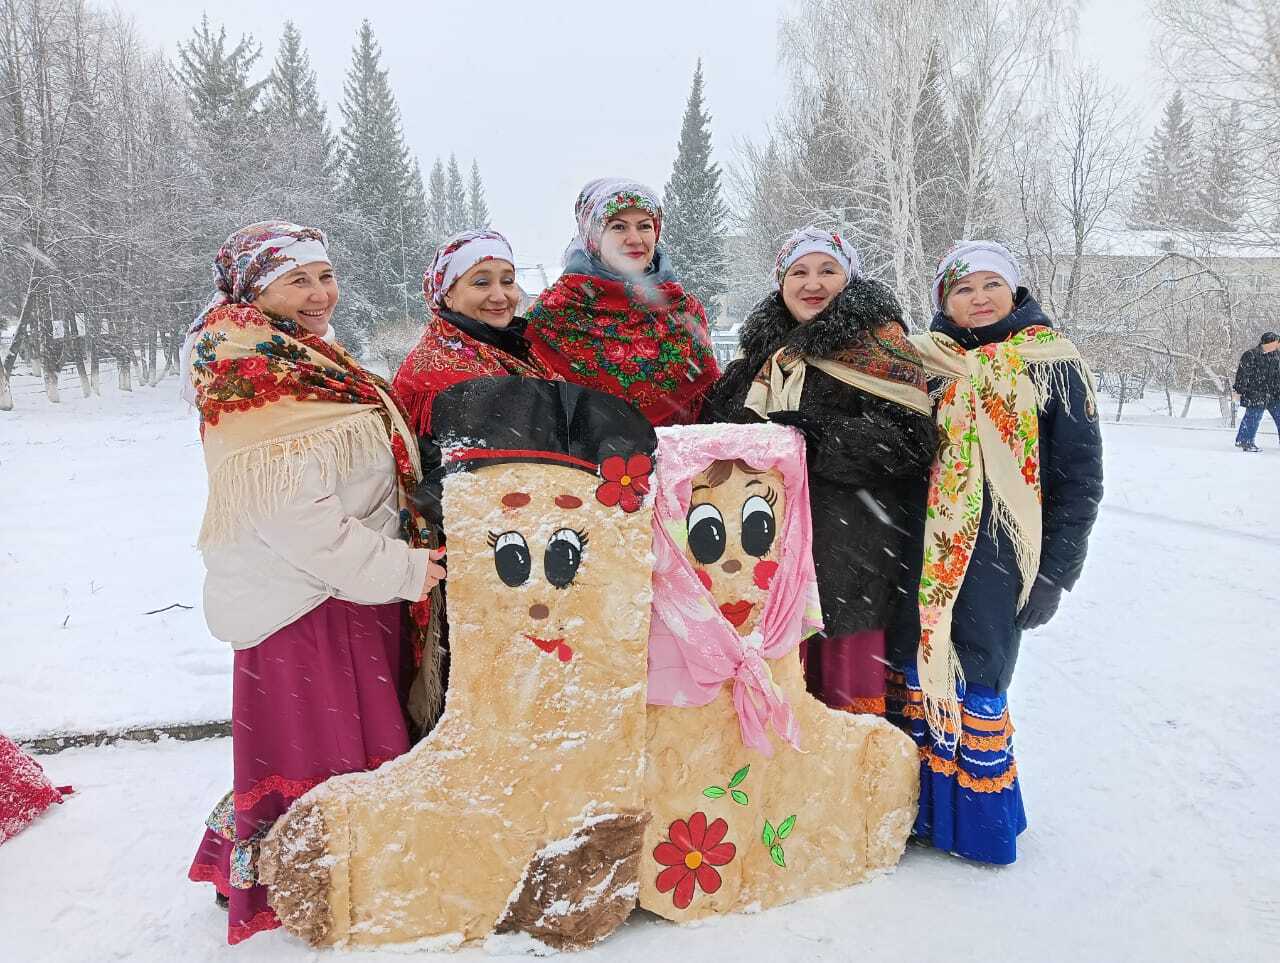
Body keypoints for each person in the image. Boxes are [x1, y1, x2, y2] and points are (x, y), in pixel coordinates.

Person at [182, 221, 447, 945]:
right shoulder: (252, 377)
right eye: (297, 280)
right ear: (253, 290)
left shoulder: (302, 358)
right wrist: (403, 569)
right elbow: (294, 518)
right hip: (306, 606)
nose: (320, 293)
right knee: (318, 755)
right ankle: (313, 879)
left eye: (325, 275)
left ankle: (326, 868)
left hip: (347, 593)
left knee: (337, 753)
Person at [886, 240, 1104, 865]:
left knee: (979, 673)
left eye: (991, 285)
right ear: (943, 302)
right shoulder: (924, 362)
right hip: (918, 543)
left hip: (1001, 551)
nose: (978, 298)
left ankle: (976, 826)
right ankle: (917, 815)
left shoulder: (1052, 363)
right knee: (912, 668)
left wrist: (1057, 574)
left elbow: (1079, 476)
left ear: (1015, 291)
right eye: (962, 289)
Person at [700, 227, 937, 717]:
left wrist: (818, 437)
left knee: (841, 707)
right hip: (765, 557)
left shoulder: (881, 350)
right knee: (773, 701)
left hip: (849, 556)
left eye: (828, 270)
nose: (814, 283)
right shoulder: (760, 359)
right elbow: (714, 435)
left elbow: (910, 443)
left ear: (848, 279)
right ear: (781, 283)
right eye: (799, 272)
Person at [526, 178, 719, 426]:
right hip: (580, 463)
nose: (635, 239)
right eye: (618, 227)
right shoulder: (553, 313)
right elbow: (533, 412)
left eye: (644, 226)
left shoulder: (683, 309)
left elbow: (707, 404)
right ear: (593, 237)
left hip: (680, 460)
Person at [393, 229, 559, 435]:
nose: (499, 297)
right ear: (448, 294)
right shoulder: (433, 375)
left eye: (507, 281)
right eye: (481, 283)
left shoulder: (514, 348)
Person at [1232, 332, 1280, 452]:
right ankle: (1245, 441)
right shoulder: (1251, 355)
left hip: (1273, 394)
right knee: (1253, 416)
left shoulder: (1276, 357)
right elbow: (1242, 375)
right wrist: (1239, 391)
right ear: (1269, 343)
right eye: (1276, 342)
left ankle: (1245, 440)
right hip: (1255, 393)